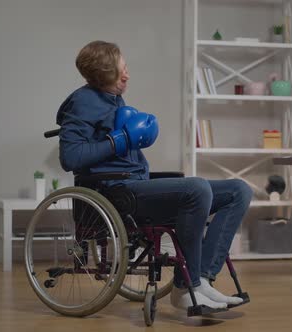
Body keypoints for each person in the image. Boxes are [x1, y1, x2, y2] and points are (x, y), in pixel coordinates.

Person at [56, 40, 252, 310]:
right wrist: (119, 140)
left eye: (126, 68)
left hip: (137, 185)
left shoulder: (114, 99)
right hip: (117, 194)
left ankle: (202, 278)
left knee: (238, 190)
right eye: (119, 71)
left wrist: (131, 139)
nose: (127, 75)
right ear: (101, 74)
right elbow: (70, 158)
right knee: (196, 188)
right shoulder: (81, 103)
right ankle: (186, 288)